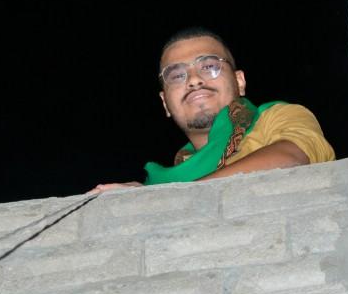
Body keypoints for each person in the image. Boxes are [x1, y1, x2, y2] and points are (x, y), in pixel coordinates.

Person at [92, 28, 334, 192]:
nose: (194, 80)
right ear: (165, 103)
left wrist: (167, 198)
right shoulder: (159, 184)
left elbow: (293, 156)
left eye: (209, 66)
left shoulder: (276, 118)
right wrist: (142, 195)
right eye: (177, 75)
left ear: (239, 81)